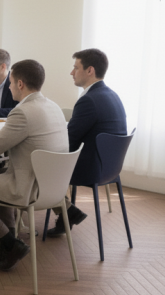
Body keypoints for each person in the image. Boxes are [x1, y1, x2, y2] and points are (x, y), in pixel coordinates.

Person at [0, 60, 68, 271]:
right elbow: (28, 137)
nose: (8, 86)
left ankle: (9, 242)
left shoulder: (22, 111)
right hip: (52, 185)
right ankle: (7, 242)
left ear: (20, 84)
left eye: (11, 82)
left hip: (27, 186)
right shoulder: (52, 106)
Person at [46, 48, 127, 237]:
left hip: (90, 168)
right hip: (110, 168)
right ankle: (67, 213)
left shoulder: (89, 100)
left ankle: (67, 213)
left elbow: (68, 141)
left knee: (39, 166)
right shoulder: (112, 94)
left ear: (89, 70)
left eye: (75, 67)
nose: (71, 72)